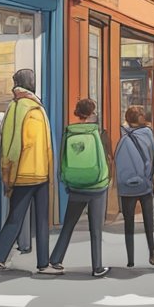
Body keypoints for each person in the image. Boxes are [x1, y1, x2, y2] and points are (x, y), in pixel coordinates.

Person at [0, 68, 53, 275]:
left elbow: (7, 144)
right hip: (35, 172)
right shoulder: (32, 109)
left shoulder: (14, 107)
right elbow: (30, 143)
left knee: (15, 217)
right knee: (40, 220)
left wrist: (8, 171)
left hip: (22, 173)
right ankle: (43, 264)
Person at [49, 98, 111, 277]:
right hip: (97, 186)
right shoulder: (99, 132)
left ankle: (56, 259)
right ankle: (97, 267)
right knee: (96, 229)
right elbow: (107, 156)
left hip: (76, 185)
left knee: (68, 224)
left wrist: (65, 179)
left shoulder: (69, 131)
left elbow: (62, 158)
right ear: (92, 113)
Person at [114, 105, 154, 268]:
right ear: (138, 118)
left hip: (126, 186)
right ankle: (152, 252)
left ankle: (130, 259)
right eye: (142, 114)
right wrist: (153, 175)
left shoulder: (122, 135)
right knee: (149, 220)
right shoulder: (148, 133)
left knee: (129, 222)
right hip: (145, 184)